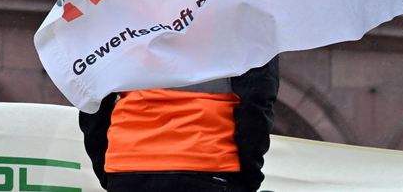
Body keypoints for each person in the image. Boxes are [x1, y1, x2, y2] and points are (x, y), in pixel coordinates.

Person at [79, 57, 279, 192]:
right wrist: (248, 172)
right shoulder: (245, 12)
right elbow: (255, 99)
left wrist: (109, 168)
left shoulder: (122, 8)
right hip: (209, 164)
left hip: (128, 168)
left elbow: (91, 93)